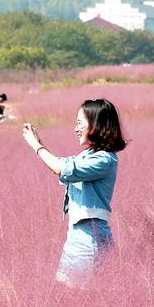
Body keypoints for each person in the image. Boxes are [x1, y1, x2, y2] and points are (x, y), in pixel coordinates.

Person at [21, 99, 127, 288]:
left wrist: (36, 146)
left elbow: (61, 168)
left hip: (90, 237)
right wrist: (39, 142)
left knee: (81, 296)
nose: (75, 129)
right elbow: (60, 163)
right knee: (70, 294)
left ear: (96, 125)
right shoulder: (86, 156)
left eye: (79, 123)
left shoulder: (104, 159)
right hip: (79, 234)